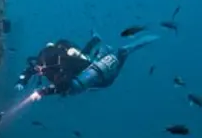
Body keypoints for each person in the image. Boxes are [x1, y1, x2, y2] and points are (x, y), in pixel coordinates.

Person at [15, 32, 158, 97]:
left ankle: (120, 53)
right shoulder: (48, 59)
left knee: (108, 80)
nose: (40, 71)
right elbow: (31, 69)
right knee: (91, 62)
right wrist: (22, 81)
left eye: (41, 70)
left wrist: (46, 91)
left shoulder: (61, 63)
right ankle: (102, 47)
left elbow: (65, 84)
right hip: (85, 64)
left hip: (86, 72)